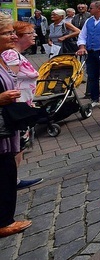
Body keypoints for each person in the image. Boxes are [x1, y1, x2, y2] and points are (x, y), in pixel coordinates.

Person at [1, 21, 44, 190]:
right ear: (19, 37)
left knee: (19, 144)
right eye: (29, 33)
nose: (34, 35)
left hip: (22, 102)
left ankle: (13, 179)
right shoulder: (11, 55)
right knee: (16, 145)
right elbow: (10, 80)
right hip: (16, 105)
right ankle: (12, 180)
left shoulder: (16, 54)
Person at [0, 15, 32, 238]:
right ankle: (3, 222)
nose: (13, 36)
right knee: (4, 172)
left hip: (5, 127)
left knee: (7, 170)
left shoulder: (2, 57)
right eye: (6, 33)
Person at [75, 1, 100, 107]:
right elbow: (82, 35)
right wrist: (82, 47)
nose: (89, 10)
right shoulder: (89, 21)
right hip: (91, 52)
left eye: (91, 8)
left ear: (99, 8)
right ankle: (94, 98)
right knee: (92, 76)